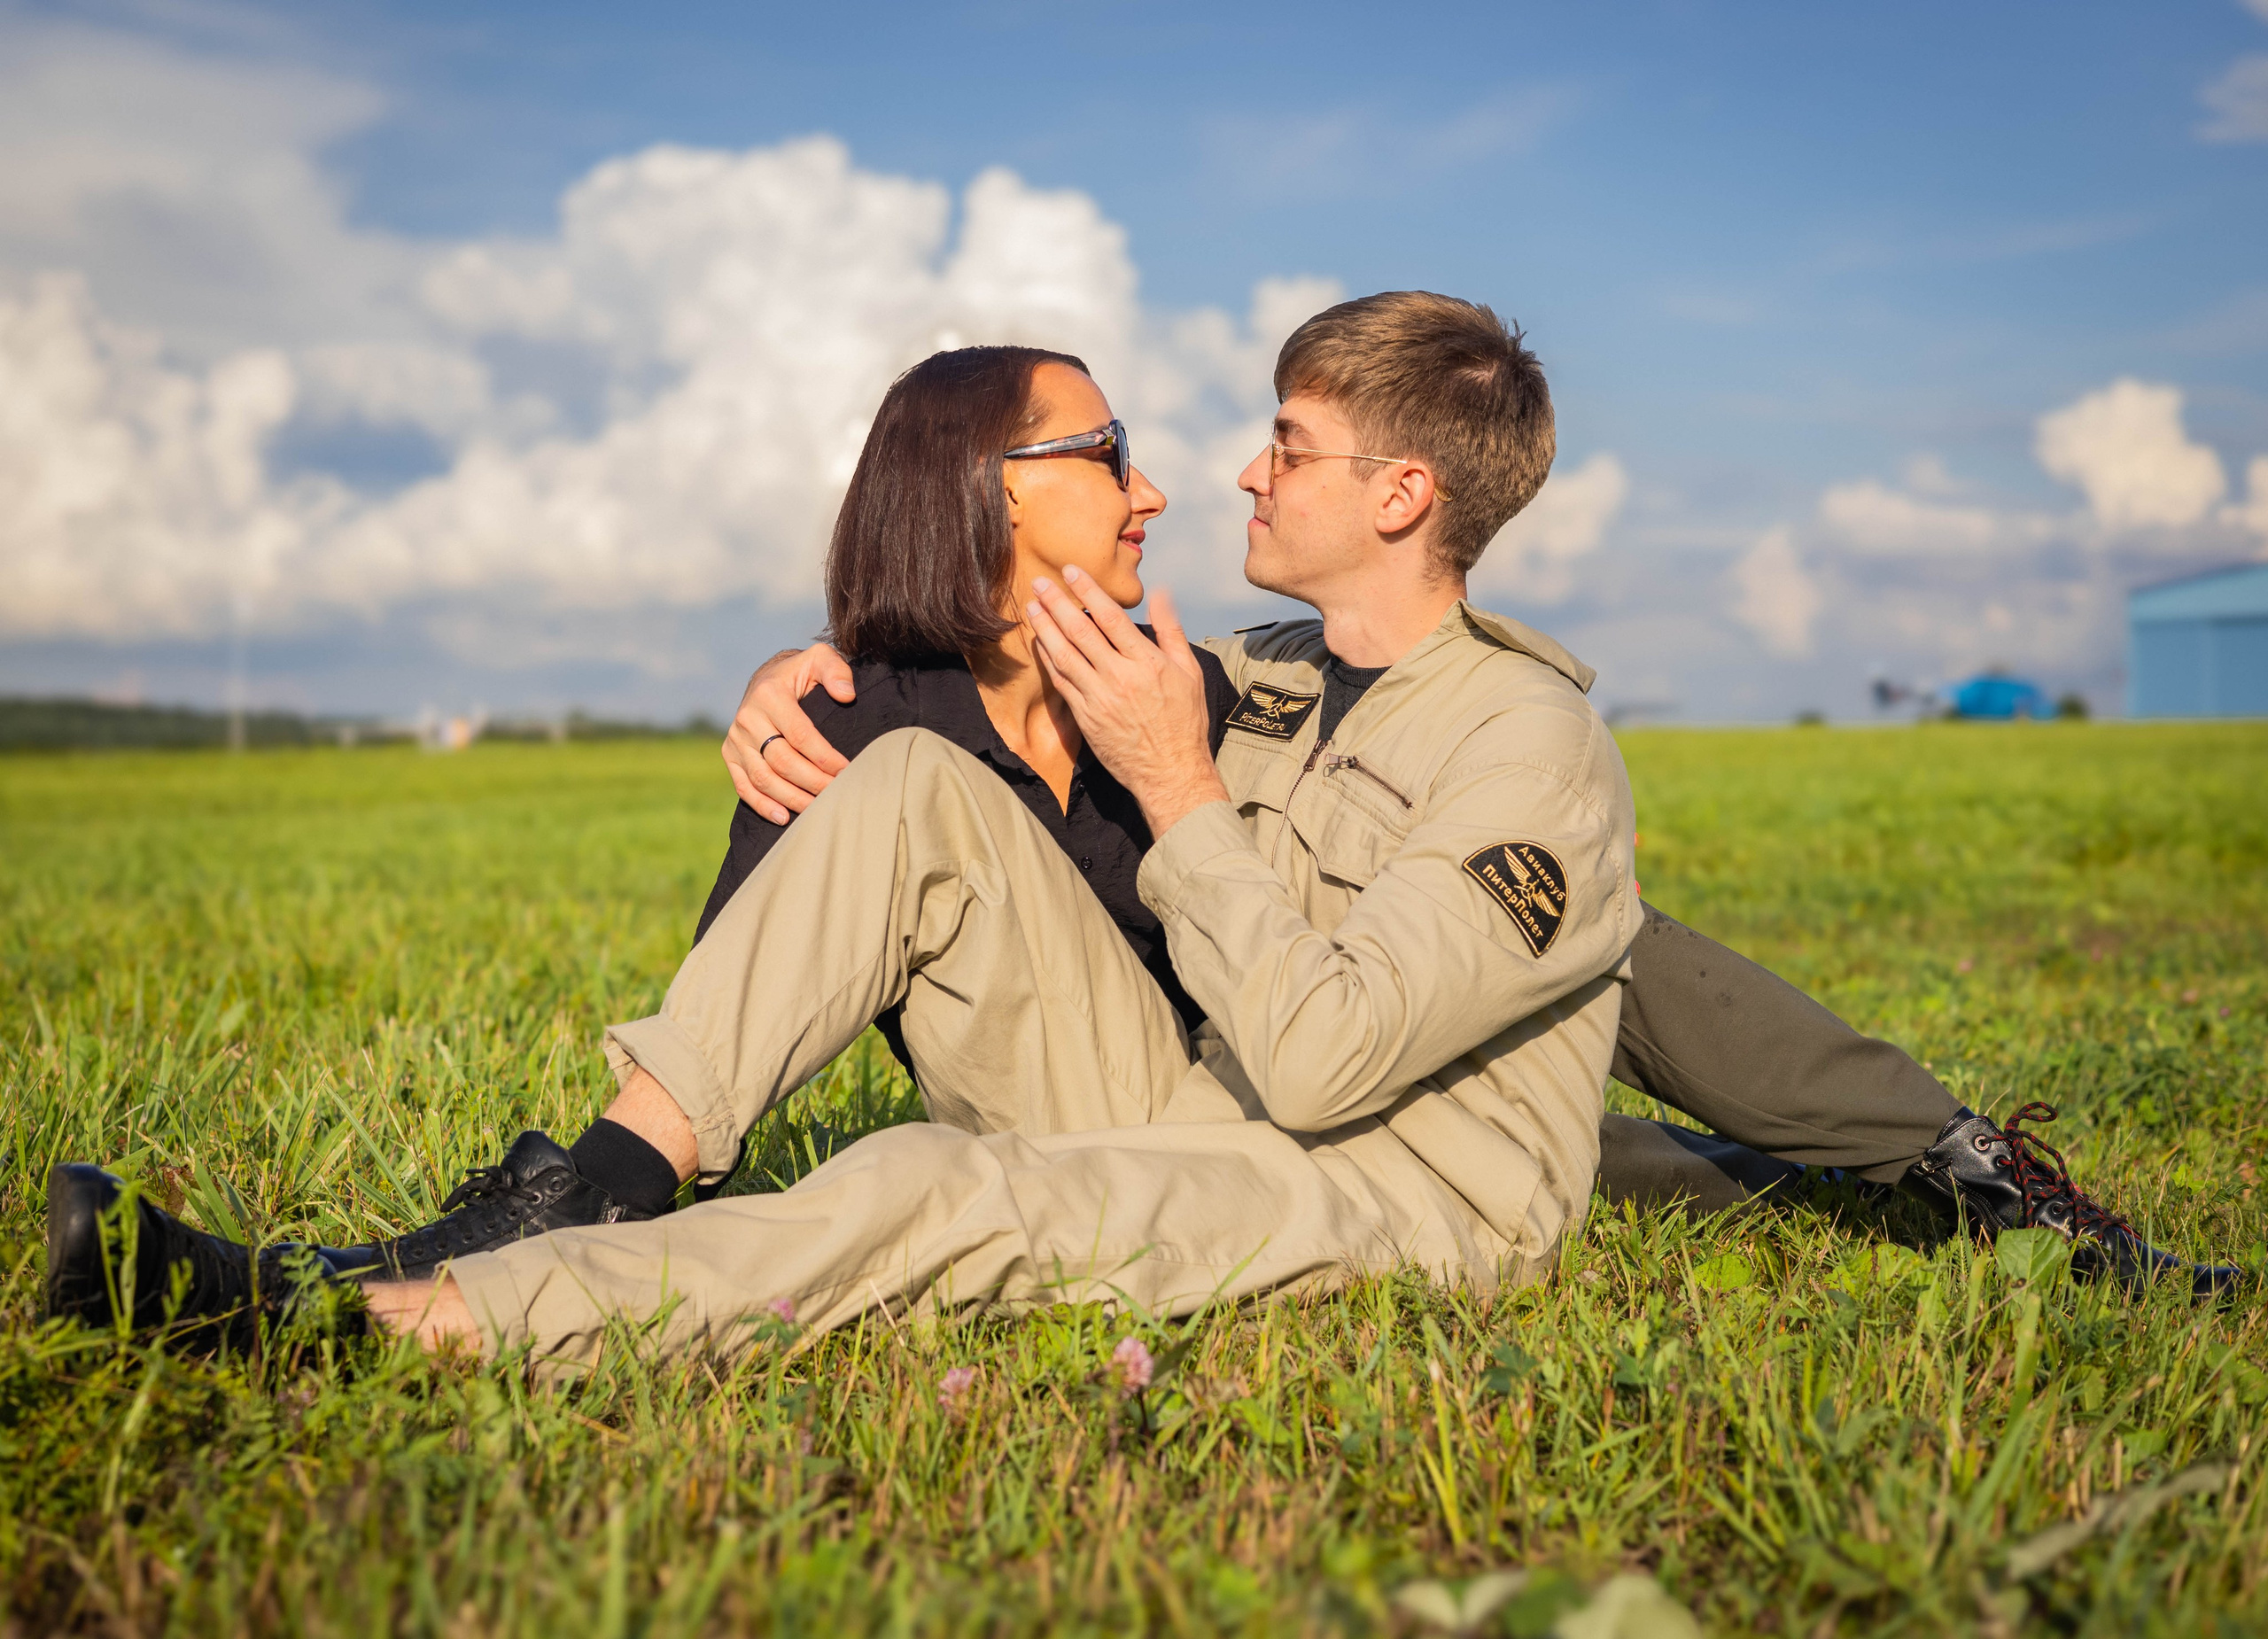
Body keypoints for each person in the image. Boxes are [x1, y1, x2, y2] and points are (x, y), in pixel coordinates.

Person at [43, 299, 2232, 1361]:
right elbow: (989, 763)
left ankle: (391, 1327)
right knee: (902, 778)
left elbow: (1367, 1047)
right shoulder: (1258, 677)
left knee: (939, 1184)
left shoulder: (1527, 755)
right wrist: (818, 668)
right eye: (1180, 446)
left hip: (1369, 1177)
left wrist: (1180, 786)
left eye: (1273, 444)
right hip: (1215, 1088)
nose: (1214, 479)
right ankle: (563, 1196)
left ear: (1398, 493)